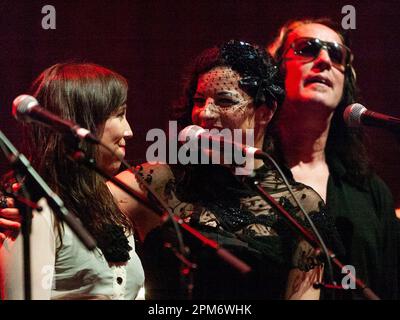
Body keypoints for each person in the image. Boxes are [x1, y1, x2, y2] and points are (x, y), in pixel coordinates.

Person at [111, 40, 344, 300]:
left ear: (265, 112)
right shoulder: (159, 183)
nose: (204, 114)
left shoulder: (300, 207)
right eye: (199, 100)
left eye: (224, 100)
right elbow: (76, 205)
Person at [267, 17, 400, 299]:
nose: (324, 60)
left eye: (337, 54)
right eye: (307, 48)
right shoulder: (245, 175)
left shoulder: (371, 191)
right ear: (276, 70)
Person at [0, 63, 144, 300]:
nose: (129, 131)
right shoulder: (33, 214)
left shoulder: (110, 207)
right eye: (119, 114)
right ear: (83, 123)